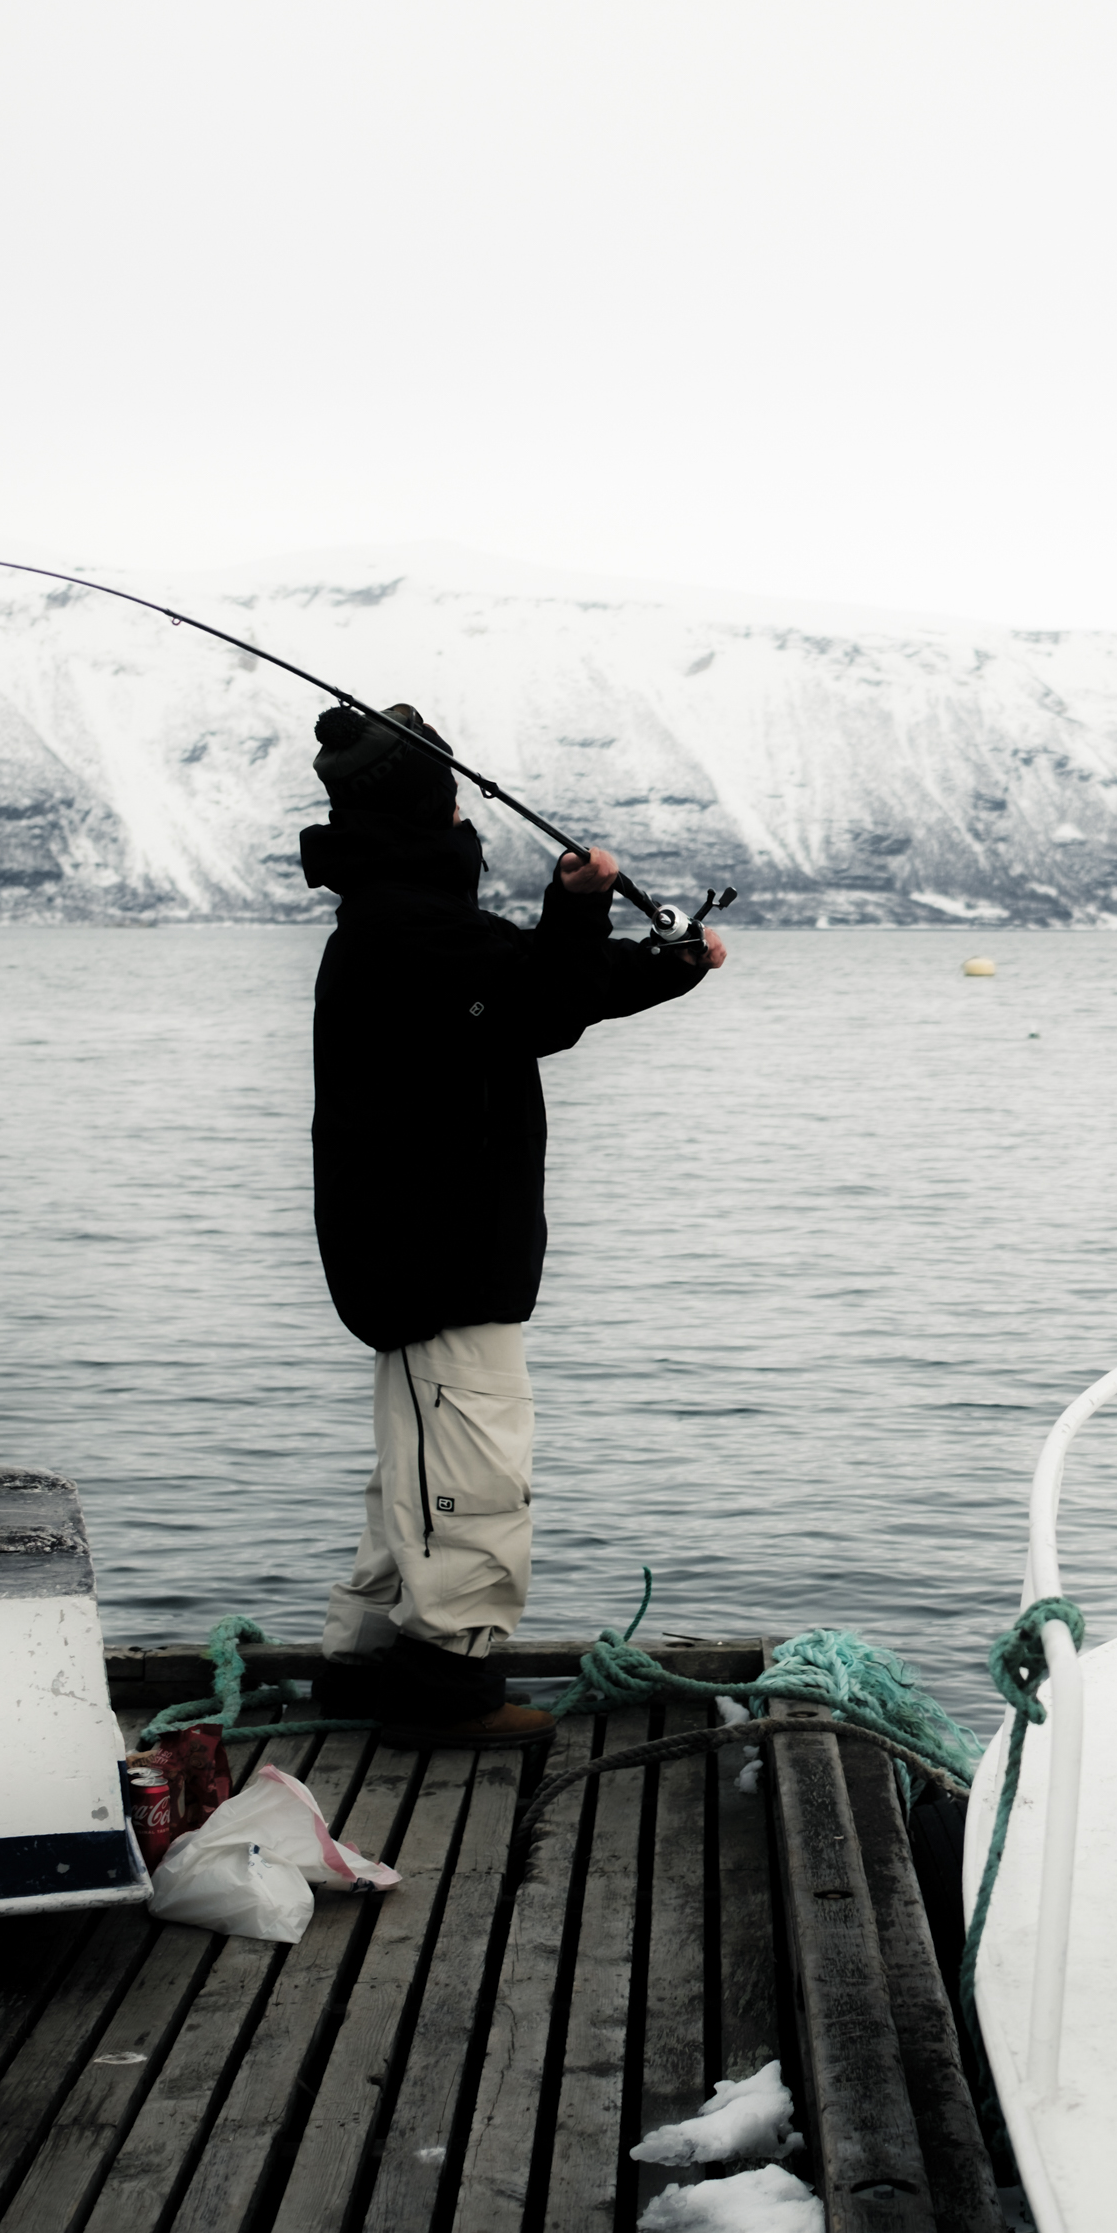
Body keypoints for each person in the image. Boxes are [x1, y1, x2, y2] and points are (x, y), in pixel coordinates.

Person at [296, 702, 724, 1745]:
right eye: (452, 796)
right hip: (439, 1256)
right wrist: (583, 908)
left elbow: (537, 986)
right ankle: (445, 1688)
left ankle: (364, 1665)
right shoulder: (409, 927)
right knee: (473, 1479)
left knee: (419, 1472)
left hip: (425, 1252)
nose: (465, 814)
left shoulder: (404, 921)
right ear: (427, 811)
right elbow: (539, 999)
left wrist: (662, 962)